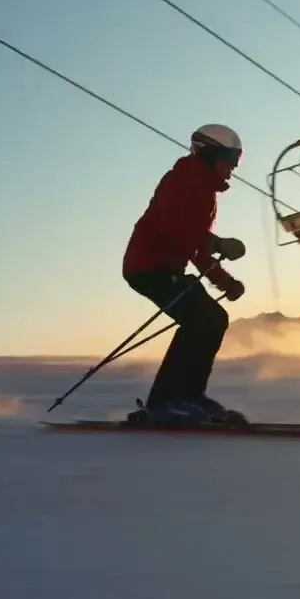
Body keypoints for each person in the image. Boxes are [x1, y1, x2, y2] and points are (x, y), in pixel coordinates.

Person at [121, 123, 249, 425]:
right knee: (201, 318)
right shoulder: (183, 179)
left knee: (212, 318)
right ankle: (166, 402)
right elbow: (174, 226)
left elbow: (194, 245)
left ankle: (189, 396)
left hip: (165, 268)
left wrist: (224, 281)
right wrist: (216, 242)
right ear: (211, 153)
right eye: (231, 159)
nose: (232, 168)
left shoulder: (203, 188)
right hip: (149, 266)